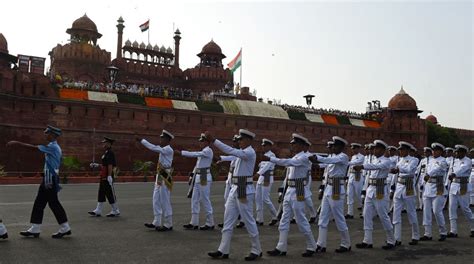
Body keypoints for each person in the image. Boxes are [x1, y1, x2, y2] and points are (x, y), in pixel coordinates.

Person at [206, 129, 262, 261]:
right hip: (235, 188)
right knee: (228, 221)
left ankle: (256, 249)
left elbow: (232, 152)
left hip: (244, 189)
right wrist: (221, 158)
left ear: (248, 140)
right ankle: (223, 250)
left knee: (248, 220)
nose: (239, 142)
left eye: (241, 140)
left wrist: (214, 141)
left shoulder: (249, 152)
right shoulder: (241, 154)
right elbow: (232, 155)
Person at [7, 125, 72, 238]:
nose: (45, 134)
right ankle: (37, 227)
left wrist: (17, 143)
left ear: (52, 135)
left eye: (47, 133)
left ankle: (63, 227)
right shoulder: (55, 147)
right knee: (42, 203)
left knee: (51, 203)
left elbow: (34, 148)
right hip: (49, 177)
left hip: (49, 179)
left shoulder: (53, 147)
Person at [266, 133, 317, 257]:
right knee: (284, 220)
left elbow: (287, 162)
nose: (292, 145)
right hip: (290, 189)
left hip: (299, 189)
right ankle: (281, 247)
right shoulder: (296, 157)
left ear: (300, 145)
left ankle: (312, 245)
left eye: (294, 143)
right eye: (292, 143)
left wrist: (271, 159)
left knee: (300, 219)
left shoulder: (303, 157)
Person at [311, 136, 351, 253]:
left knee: (339, 217)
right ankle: (321, 243)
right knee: (323, 217)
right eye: (333, 146)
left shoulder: (343, 157)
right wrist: (314, 164)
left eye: (335, 146)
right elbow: (326, 165)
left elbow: (329, 161)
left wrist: (317, 158)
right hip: (329, 187)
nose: (333, 147)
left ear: (341, 147)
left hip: (337, 188)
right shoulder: (332, 157)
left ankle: (346, 243)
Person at [354, 140, 395, 250]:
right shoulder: (375, 160)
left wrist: (362, 166)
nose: (374, 150)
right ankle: (367, 241)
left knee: (383, 216)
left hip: (380, 189)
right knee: (366, 215)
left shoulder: (386, 161)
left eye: (376, 148)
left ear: (382, 150)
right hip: (371, 189)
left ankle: (391, 240)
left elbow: (375, 167)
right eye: (373, 149)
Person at [176, 133, 215, 230]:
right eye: (200, 141)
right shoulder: (203, 151)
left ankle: (210, 222)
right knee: (194, 199)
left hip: (204, 176)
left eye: (202, 141)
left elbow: (195, 154)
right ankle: (194, 222)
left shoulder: (208, 151)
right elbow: (197, 165)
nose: (200, 142)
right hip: (198, 176)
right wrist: (192, 177)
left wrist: (182, 152)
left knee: (204, 199)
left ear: (207, 142)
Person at [137, 130, 174, 232]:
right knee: (156, 198)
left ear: (167, 140)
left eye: (162, 138)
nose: (160, 139)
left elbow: (153, 148)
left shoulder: (168, 149)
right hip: (160, 174)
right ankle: (157, 221)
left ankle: (168, 223)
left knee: (165, 199)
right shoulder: (164, 149)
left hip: (165, 174)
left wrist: (142, 140)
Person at [389, 141, 420, 245]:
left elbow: (410, 170)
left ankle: (415, 236)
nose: (400, 151)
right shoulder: (399, 160)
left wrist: (398, 169)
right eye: (400, 150)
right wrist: (392, 188)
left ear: (407, 150)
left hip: (409, 186)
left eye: (402, 150)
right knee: (396, 214)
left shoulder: (414, 160)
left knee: (411, 212)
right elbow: (396, 174)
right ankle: (397, 238)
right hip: (399, 186)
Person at [420, 142, 448, 241]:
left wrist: (429, 174)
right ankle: (427, 233)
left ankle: (443, 231)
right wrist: (422, 185)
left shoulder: (443, 161)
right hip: (428, 187)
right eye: (433, 150)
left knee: (437, 211)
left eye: (436, 150)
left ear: (441, 151)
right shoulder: (430, 161)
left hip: (438, 187)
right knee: (426, 211)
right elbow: (425, 174)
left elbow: (437, 169)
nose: (434, 152)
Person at [88, 137, 120, 217]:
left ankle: (115, 210)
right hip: (104, 175)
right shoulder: (106, 152)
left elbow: (110, 165)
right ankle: (98, 210)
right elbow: (105, 165)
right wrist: (97, 165)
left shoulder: (110, 153)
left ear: (109, 143)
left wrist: (109, 176)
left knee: (109, 193)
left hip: (107, 176)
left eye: (104, 142)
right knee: (101, 192)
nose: (103, 144)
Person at [216, 135, 243, 228]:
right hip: (230, 179)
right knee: (226, 198)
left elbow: (230, 157)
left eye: (235, 141)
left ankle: (240, 219)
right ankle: (229, 220)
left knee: (238, 202)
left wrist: (221, 158)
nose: (234, 143)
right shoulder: (235, 153)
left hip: (237, 181)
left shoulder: (240, 153)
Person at [447, 145, 474, 238]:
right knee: (451, 208)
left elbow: (462, 169)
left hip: (463, 185)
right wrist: (447, 184)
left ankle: (473, 228)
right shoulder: (454, 161)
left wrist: (454, 174)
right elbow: (449, 172)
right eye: (456, 152)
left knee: (465, 208)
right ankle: (453, 231)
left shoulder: (468, 161)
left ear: (464, 153)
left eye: (459, 152)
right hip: (453, 186)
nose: (456, 153)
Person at [255, 139, 278, 226]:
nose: (263, 147)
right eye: (262, 145)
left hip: (267, 178)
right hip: (261, 178)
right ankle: (259, 219)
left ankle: (275, 216)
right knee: (258, 199)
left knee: (265, 199)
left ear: (269, 146)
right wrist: (259, 173)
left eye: (265, 146)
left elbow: (267, 167)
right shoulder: (264, 155)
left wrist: (258, 173)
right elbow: (260, 166)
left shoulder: (272, 155)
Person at [346, 143, 365, 219]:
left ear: (358, 149)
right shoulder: (353, 156)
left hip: (358, 176)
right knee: (349, 194)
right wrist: (347, 177)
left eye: (354, 148)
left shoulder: (362, 157)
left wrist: (346, 163)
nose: (353, 150)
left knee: (359, 194)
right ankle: (350, 213)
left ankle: (363, 209)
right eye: (352, 148)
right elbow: (350, 167)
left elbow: (355, 163)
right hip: (351, 176)